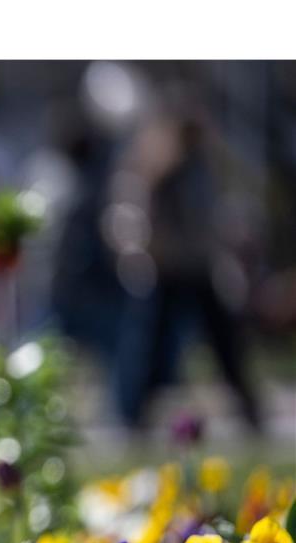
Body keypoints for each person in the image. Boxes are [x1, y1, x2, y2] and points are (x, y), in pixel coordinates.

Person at [110, 94, 261, 431]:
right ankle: (131, 415)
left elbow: (211, 215)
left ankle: (250, 410)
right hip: (164, 270)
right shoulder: (158, 169)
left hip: (197, 266)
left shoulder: (201, 166)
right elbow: (137, 220)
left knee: (224, 343)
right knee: (148, 347)